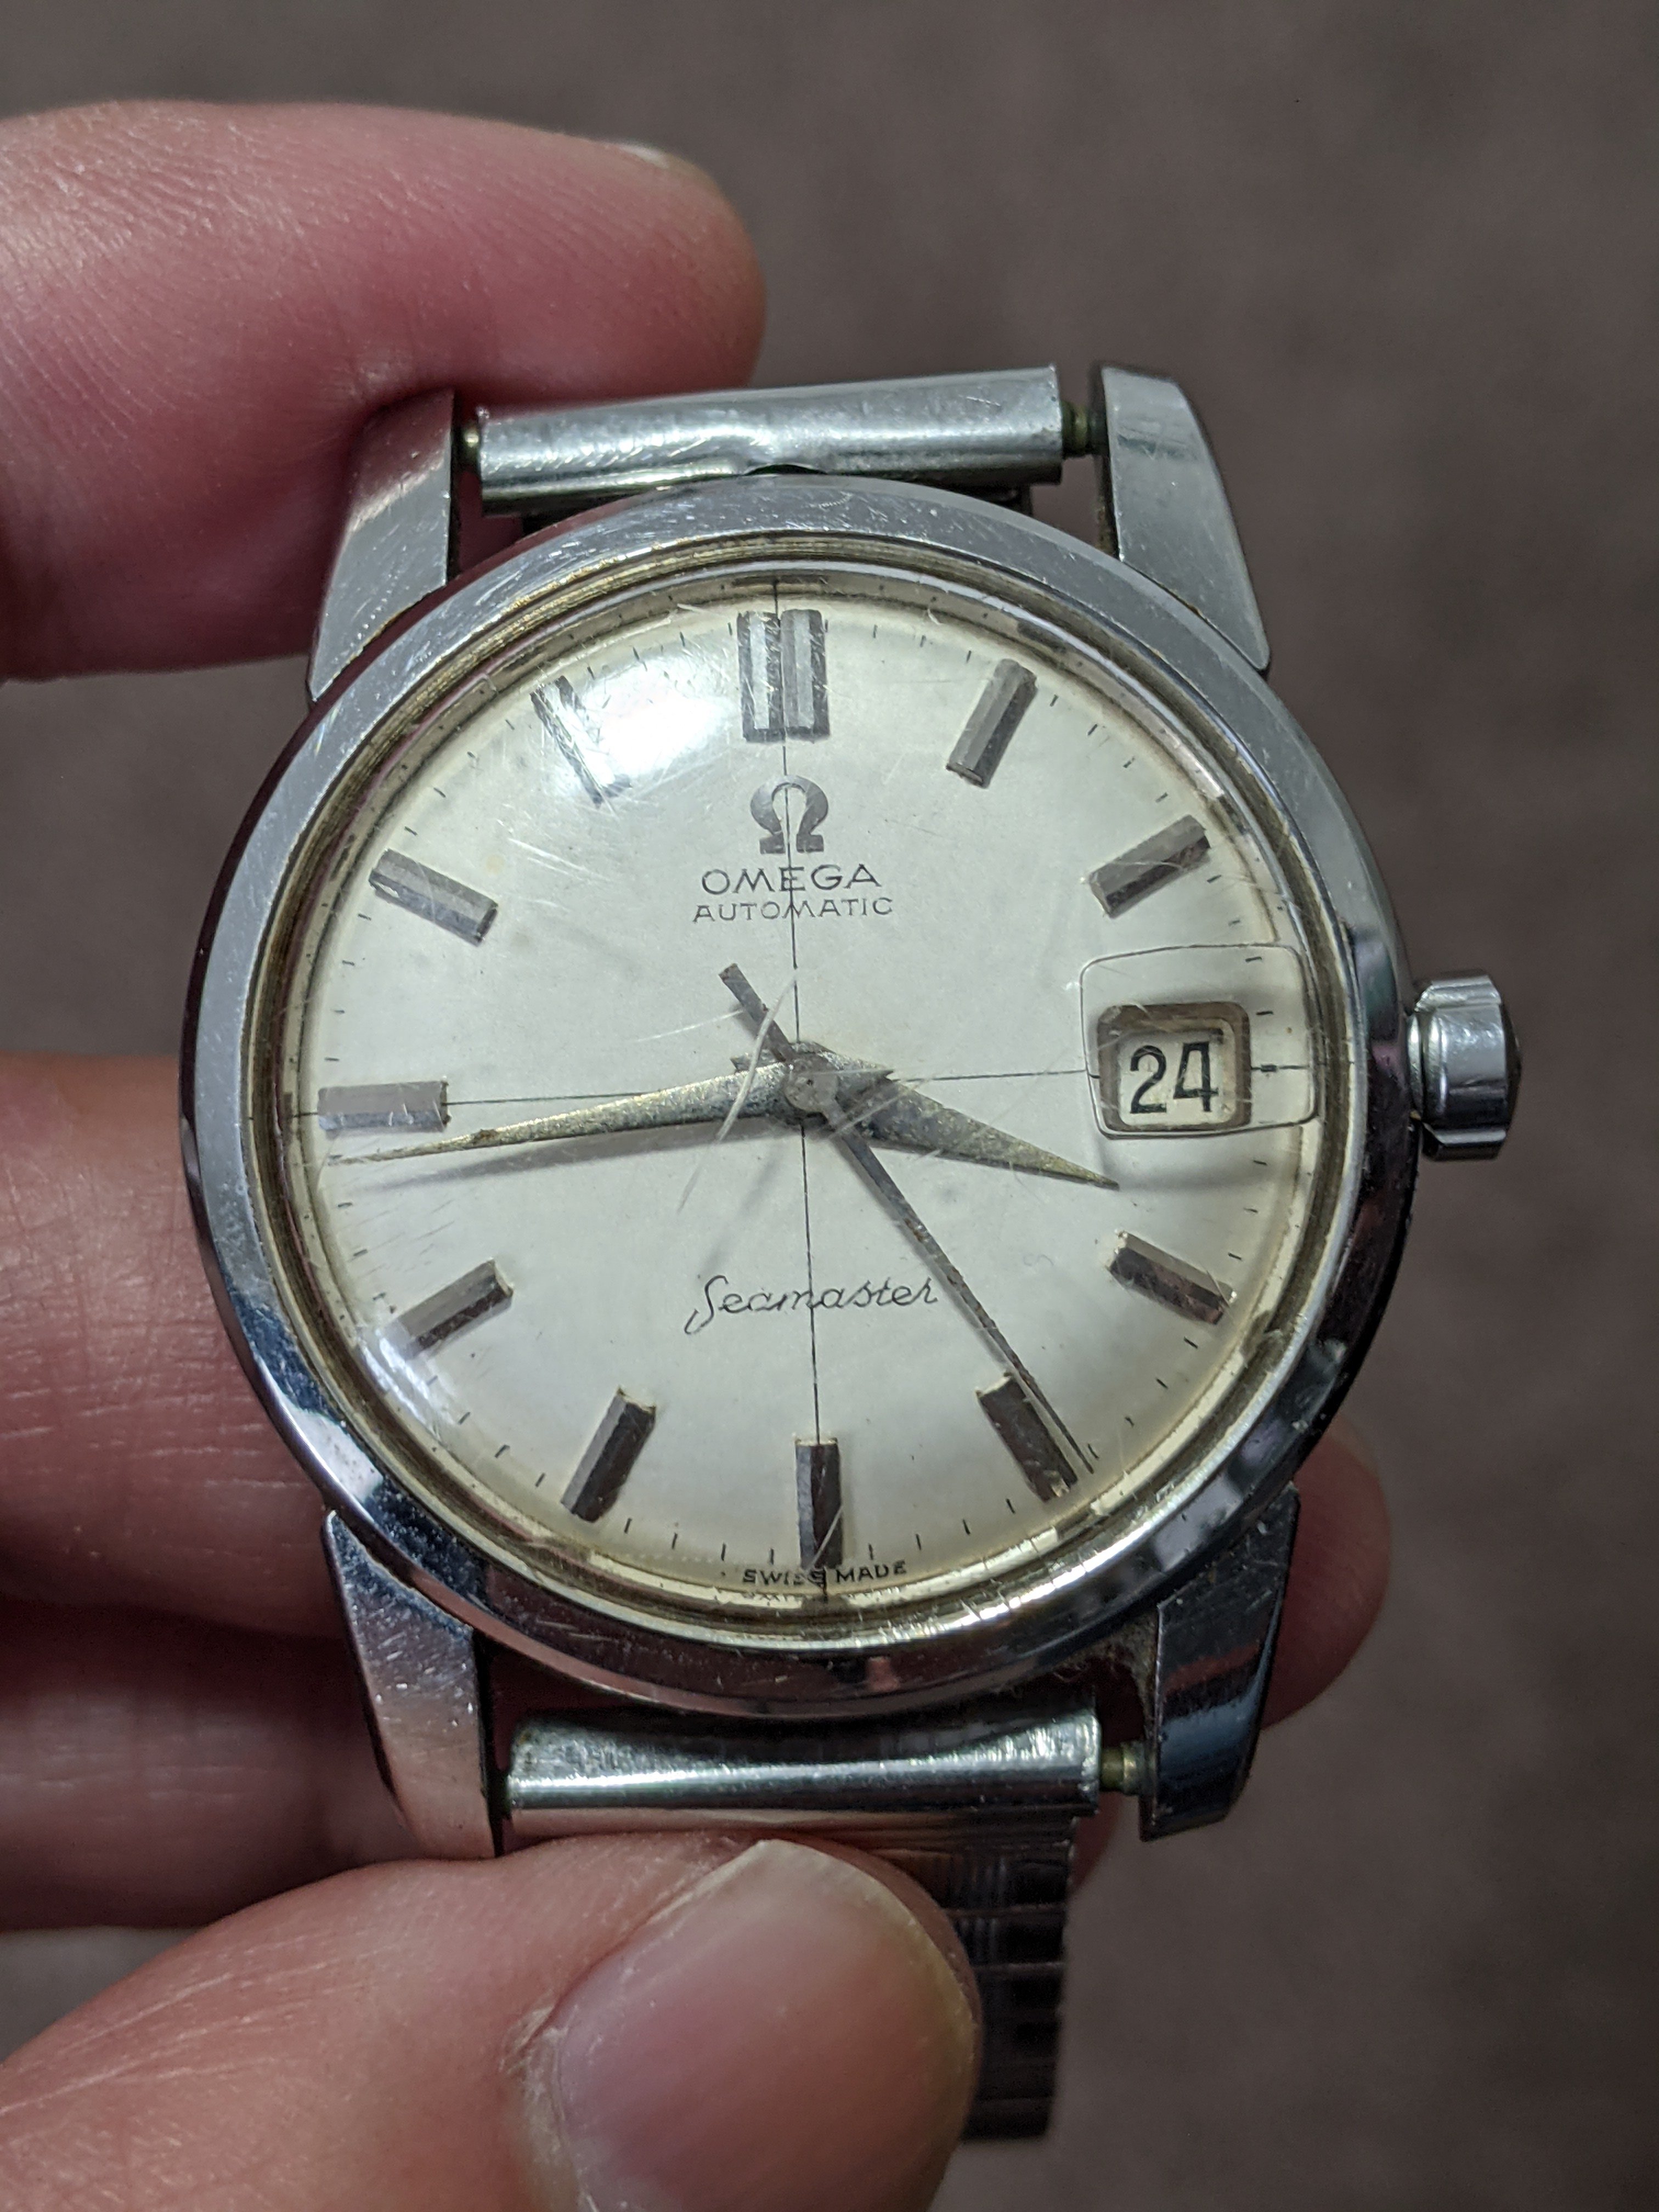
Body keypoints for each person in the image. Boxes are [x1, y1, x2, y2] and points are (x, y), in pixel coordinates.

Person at [0, 101, 1390, 2212]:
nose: (819, 1095)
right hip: (554, 1561)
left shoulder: (447, 556)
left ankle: (977, 2048)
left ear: (1416, 1076)